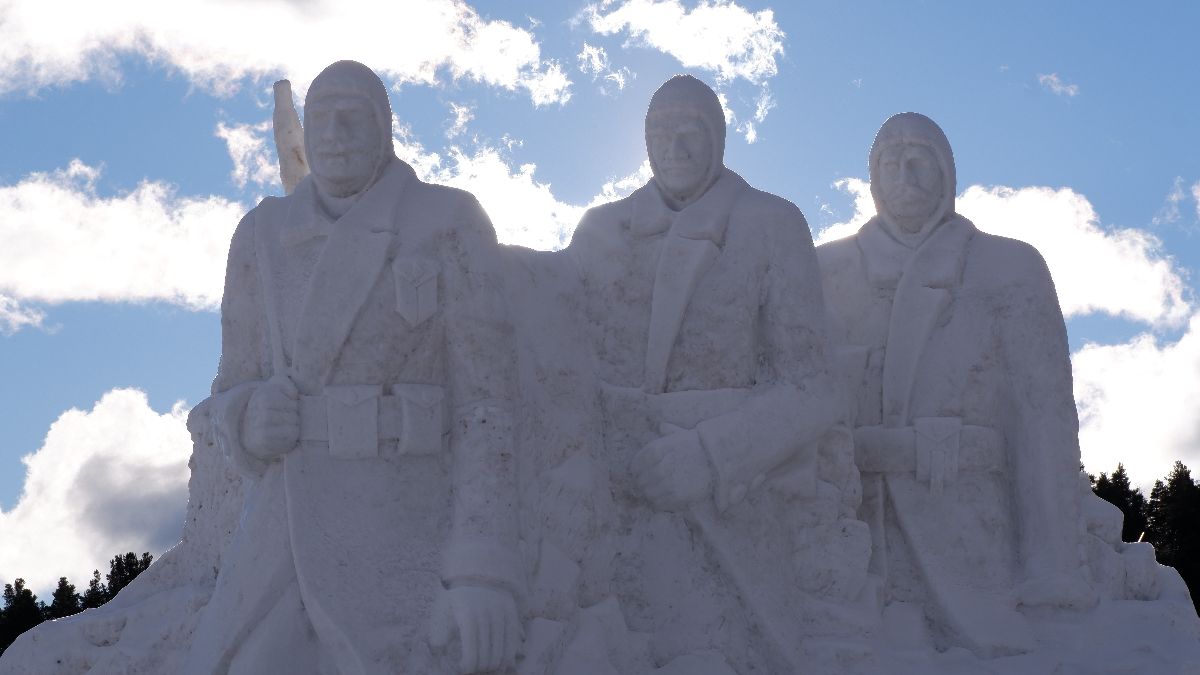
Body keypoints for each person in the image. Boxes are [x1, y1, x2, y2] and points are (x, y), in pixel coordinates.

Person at [182, 60, 521, 675]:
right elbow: (232, 383)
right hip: (287, 526)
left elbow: (488, 402)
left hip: (405, 520)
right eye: (321, 119)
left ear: (383, 129)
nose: (334, 135)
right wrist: (249, 419)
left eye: (352, 118)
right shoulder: (262, 233)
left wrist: (481, 565)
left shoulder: (446, 219)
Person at [560, 75, 867, 674]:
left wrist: (710, 455)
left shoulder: (771, 222)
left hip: (728, 506)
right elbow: (562, 360)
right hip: (611, 502)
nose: (674, 148)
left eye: (690, 132)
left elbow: (813, 384)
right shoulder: (600, 229)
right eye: (660, 132)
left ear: (719, 139)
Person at [815, 112, 1096, 659]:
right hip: (854, 535)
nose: (905, 176)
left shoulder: (1008, 266)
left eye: (920, 160)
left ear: (947, 172)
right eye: (890, 164)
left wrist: (1054, 566)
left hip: (971, 531)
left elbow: (1043, 420)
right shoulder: (825, 269)